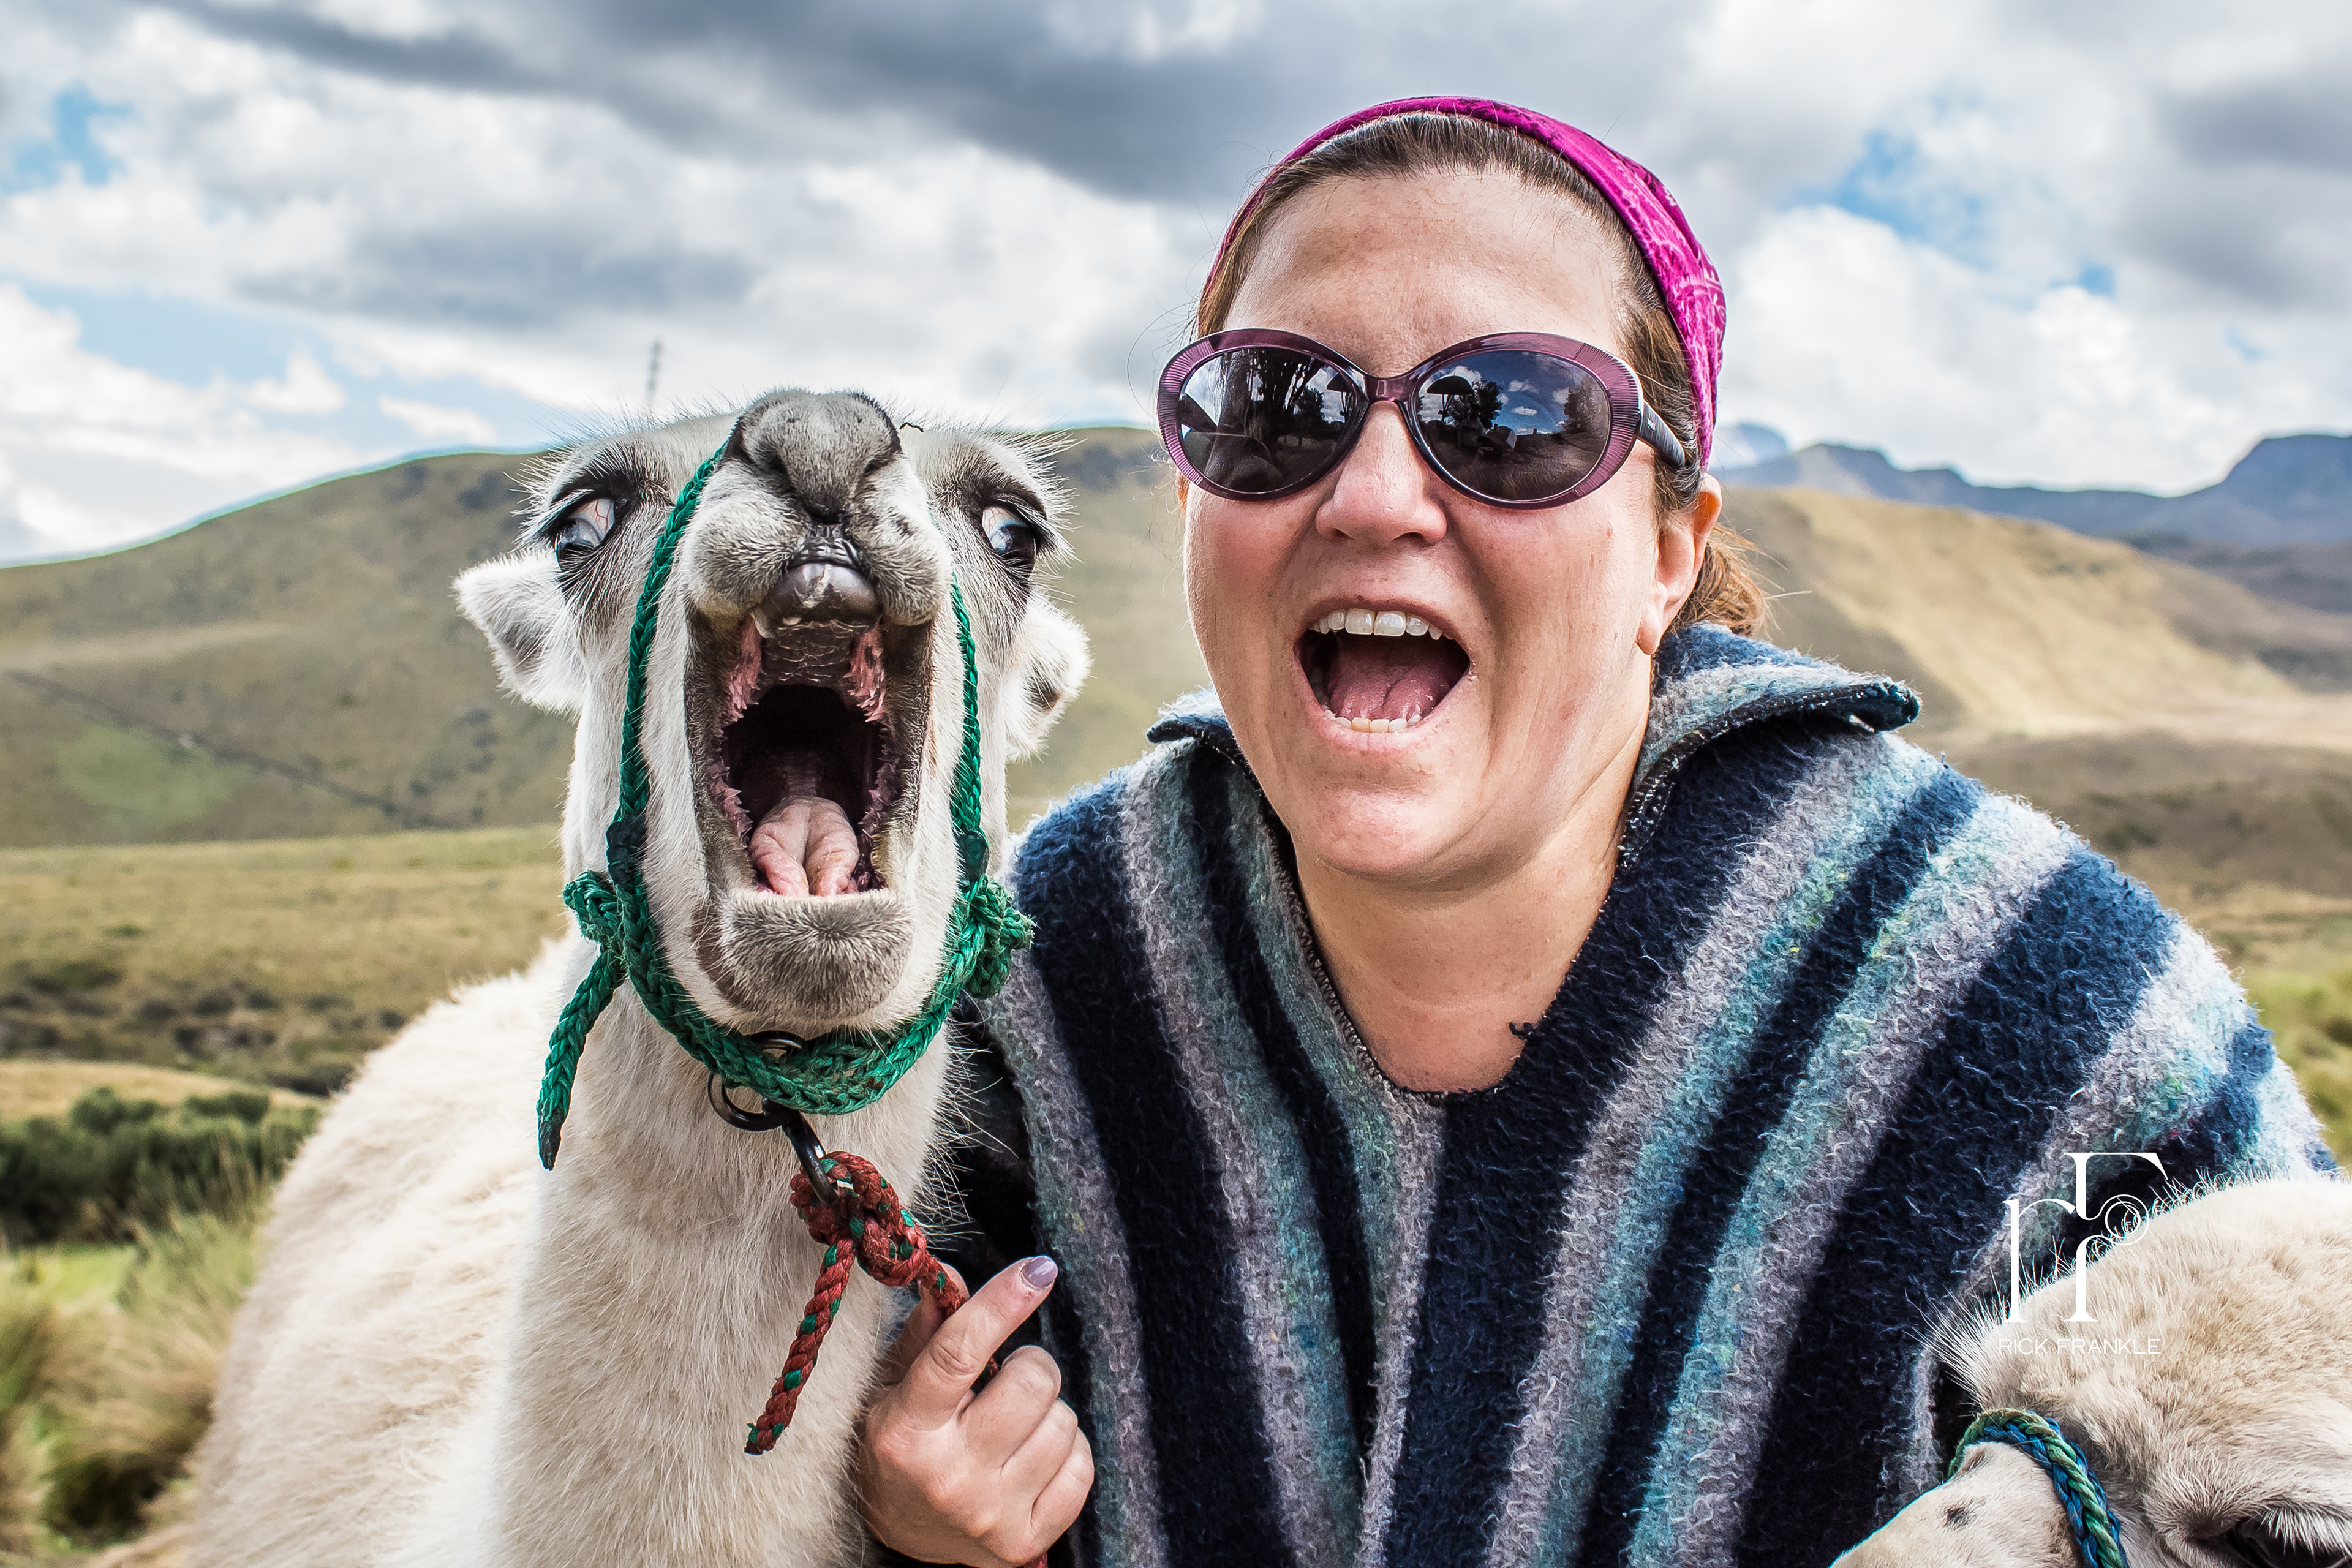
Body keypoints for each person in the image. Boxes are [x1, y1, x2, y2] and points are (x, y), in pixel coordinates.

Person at [853, 99, 2337, 1568]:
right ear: (1191, 496)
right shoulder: (1045, 966)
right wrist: (912, 1515)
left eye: (1508, 416)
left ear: (1669, 553)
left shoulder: (2052, 1029)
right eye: (1272, 408)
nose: (1372, 498)